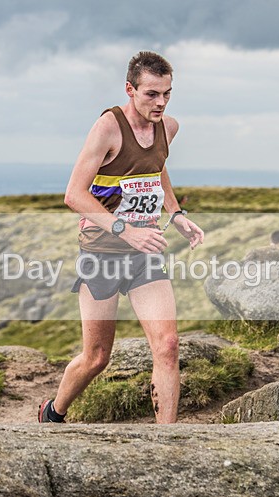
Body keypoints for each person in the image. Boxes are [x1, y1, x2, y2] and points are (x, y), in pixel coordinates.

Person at [39, 51, 204, 424]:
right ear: (130, 89)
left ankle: (167, 443)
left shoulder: (168, 127)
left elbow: (156, 169)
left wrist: (175, 213)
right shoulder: (108, 128)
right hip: (102, 253)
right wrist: (124, 230)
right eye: (151, 94)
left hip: (144, 254)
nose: (160, 102)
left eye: (167, 94)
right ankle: (53, 412)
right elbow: (73, 195)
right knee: (96, 357)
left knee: (168, 346)